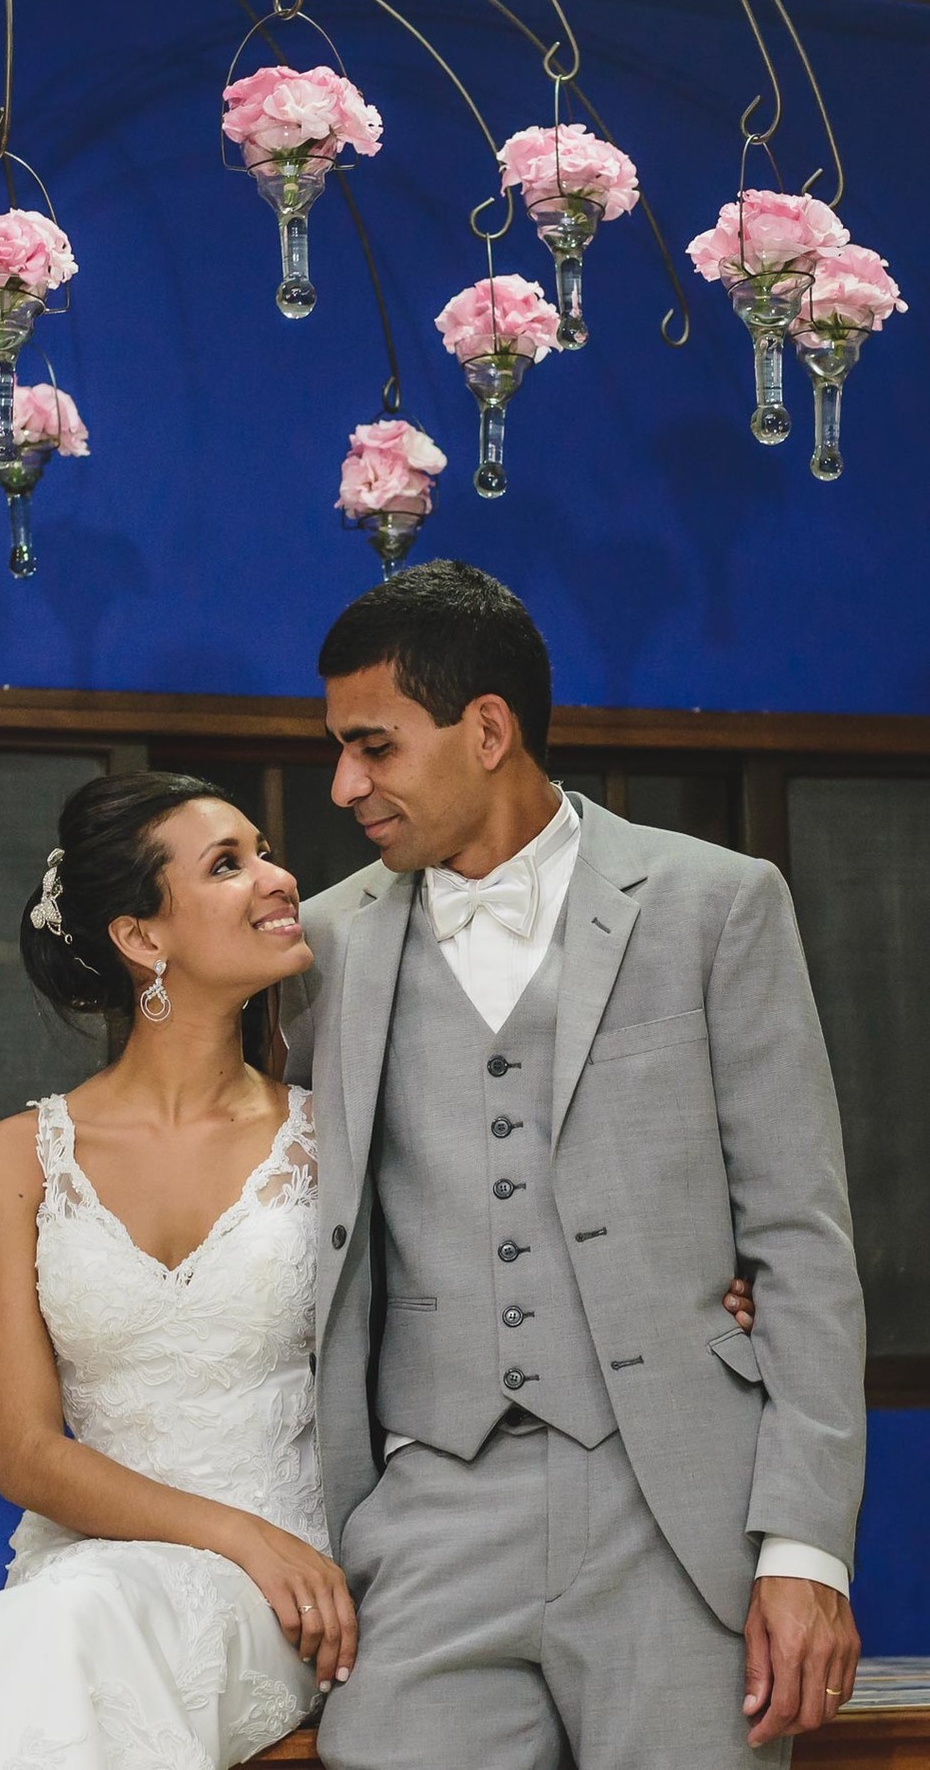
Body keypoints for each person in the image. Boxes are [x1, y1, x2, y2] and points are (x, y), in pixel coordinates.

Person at [0, 764, 753, 1770]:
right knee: (26, 1646)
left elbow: (504, 1267)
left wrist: (696, 1284)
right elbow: (24, 1450)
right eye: (229, 865)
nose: (278, 879)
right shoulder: (15, 1158)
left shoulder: (338, 1137)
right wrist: (232, 1532)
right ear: (143, 937)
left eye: (264, 850)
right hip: (92, 1577)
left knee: (52, 1648)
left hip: (289, 1595)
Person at [281, 559, 866, 1770]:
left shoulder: (717, 903)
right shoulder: (324, 942)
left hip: (679, 1512)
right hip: (430, 1509)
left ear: (486, 728)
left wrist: (804, 1550)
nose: (345, 785)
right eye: (339, 748)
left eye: (374, 747)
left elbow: (800, 1241)